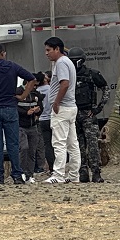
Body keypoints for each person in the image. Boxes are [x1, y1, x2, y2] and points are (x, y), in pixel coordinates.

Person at [0, 43, 36, 185]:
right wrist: (22, 96)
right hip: (10, 107)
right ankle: (17, 174)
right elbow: (32, 79)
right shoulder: (12, 66)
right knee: (13, 144)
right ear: (2, 53)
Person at [69, 47, 110, 183]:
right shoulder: (68, 75)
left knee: (92, 145)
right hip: (73, 114)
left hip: (88, 114)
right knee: (77, 146)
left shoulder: (92, 74)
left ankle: (96, 172)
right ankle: (83, 172)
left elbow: (105, 89)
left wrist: (98, 108)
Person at [43, 37, 81, 184]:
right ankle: (73, 175)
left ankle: (58, 175)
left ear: (57, 49)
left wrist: (56, 102)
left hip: (63, 107)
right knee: (73, 144)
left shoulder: (61, 63)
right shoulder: (68, 62)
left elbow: (64, 83)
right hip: (71, 107)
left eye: (48, 50)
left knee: (59, 142)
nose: (46, 53)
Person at [16, 79, 43, 184]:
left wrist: (38, 111)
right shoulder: (18, 92)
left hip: (33, 126)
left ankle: (30, 174)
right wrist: (26, 112)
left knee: (32, 151)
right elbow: (14, 107)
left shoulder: (35, 94)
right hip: (21, 126)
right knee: (24, 148)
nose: (34, 87)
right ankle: (21, 172)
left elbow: (41, 107)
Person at [35, 71, 54, 174]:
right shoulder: (51, 89)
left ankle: (51, 167)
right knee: (57, 142)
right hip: (52, 117)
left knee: (47, 144)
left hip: (42, 119)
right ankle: (60, 164)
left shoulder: (36, 91)